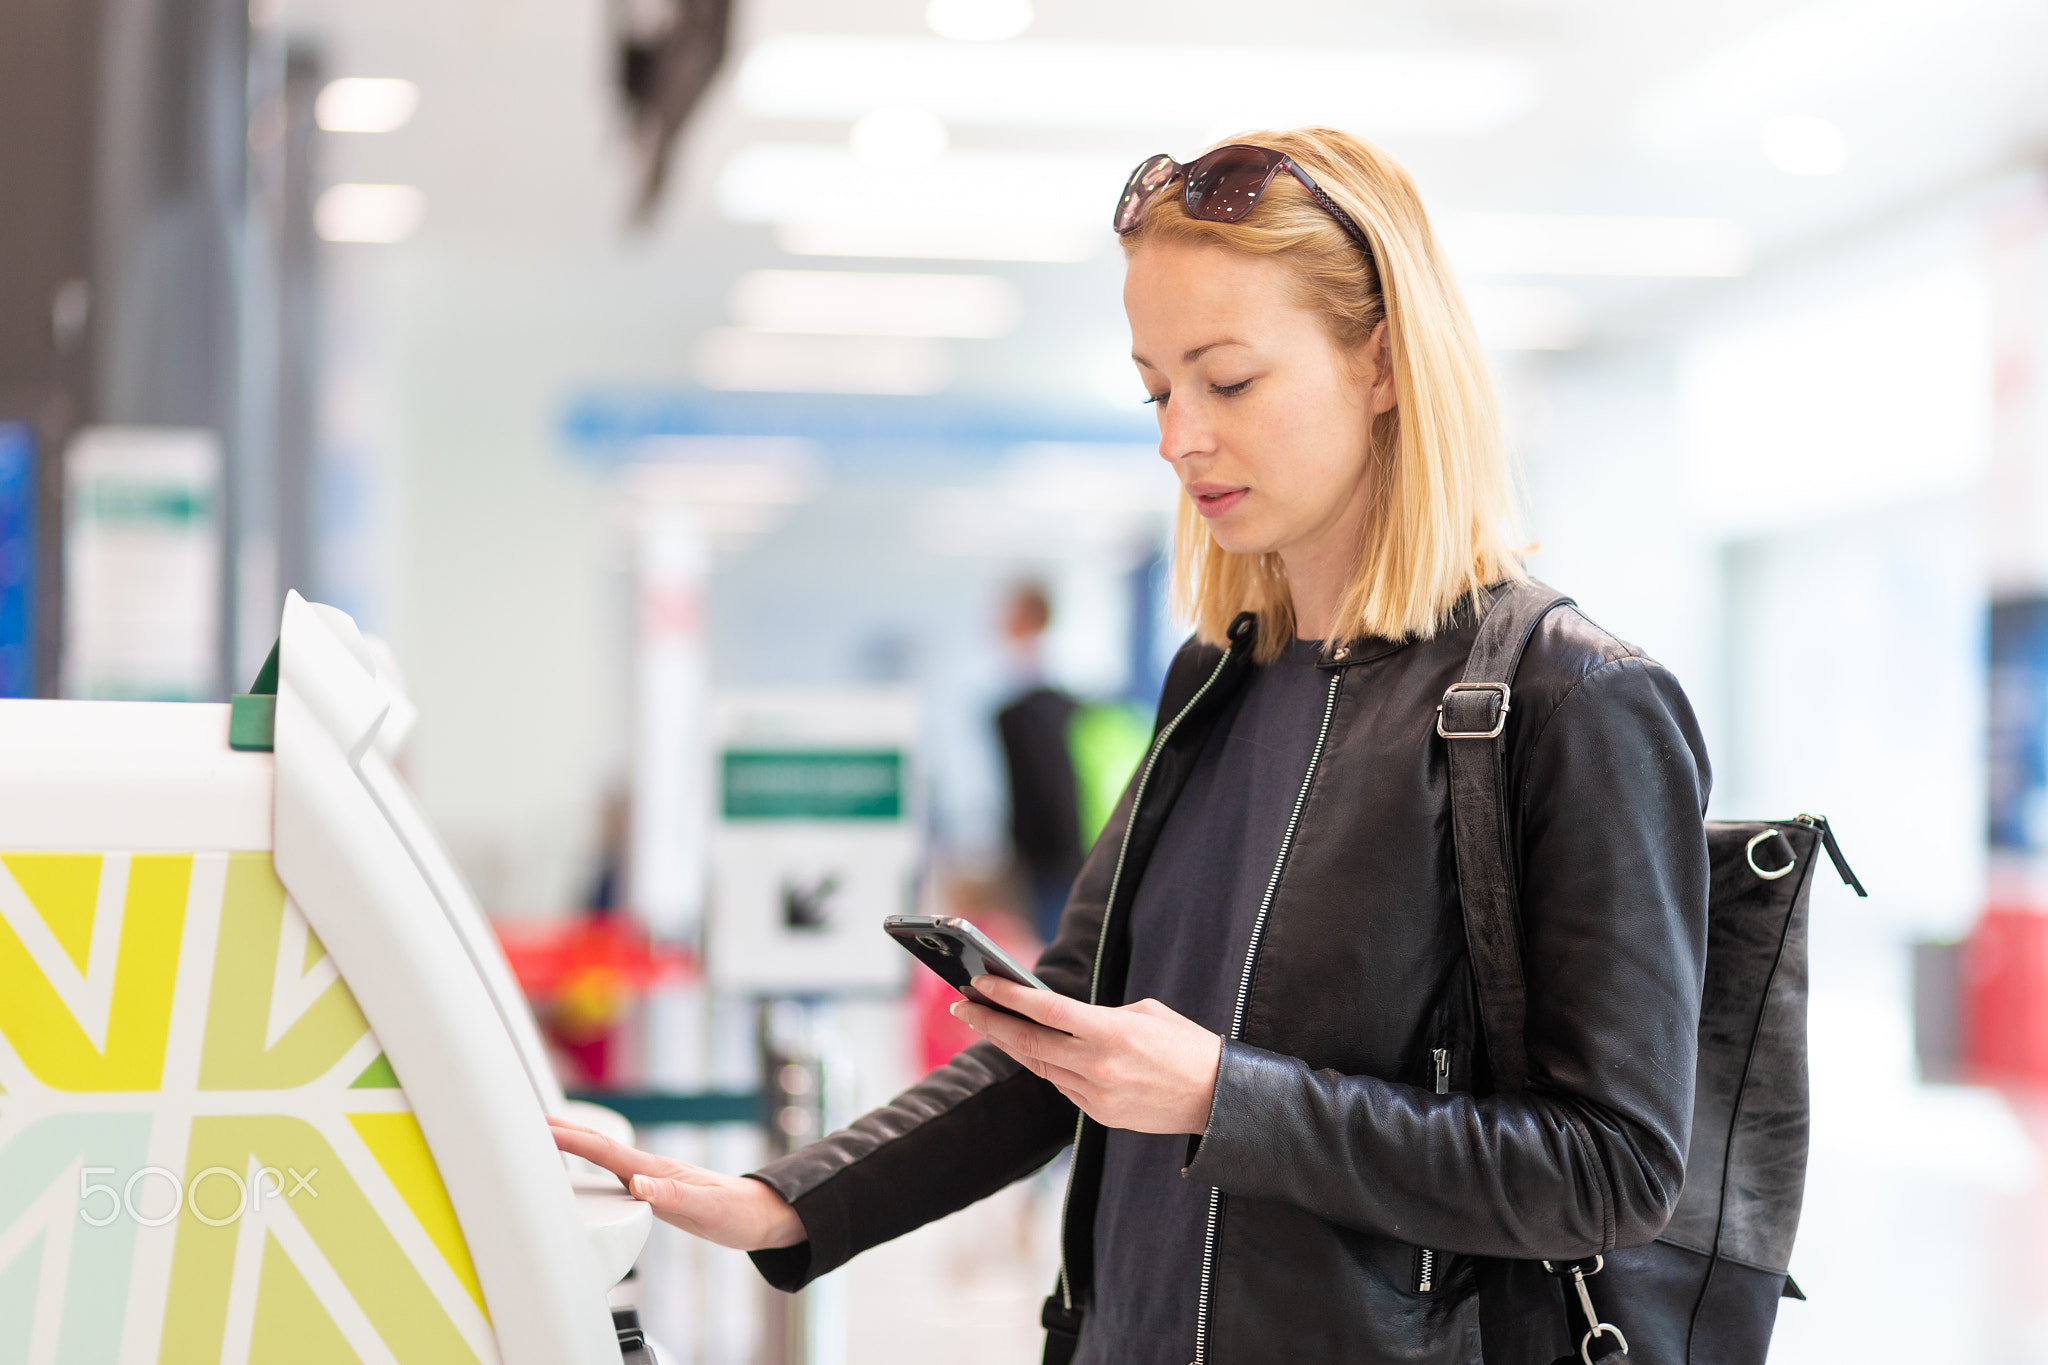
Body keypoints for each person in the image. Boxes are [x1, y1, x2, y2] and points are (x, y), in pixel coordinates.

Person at [552, 127, 1710, 1365]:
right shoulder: (1214, 682)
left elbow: (1613, 1170)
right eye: (1157, 388)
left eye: (1227, 381)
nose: (1178, 439)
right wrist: (780, 1201)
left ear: (1381, 364)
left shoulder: (1568, 700)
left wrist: (1225, 1096)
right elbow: (1058, 1038)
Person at [992, 583, 1086, 945]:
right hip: (1055, 848)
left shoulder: (1032, 688)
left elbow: (1049, 781)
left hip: (1052, 849)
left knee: (1052, 943)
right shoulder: (1041, 687)